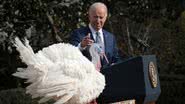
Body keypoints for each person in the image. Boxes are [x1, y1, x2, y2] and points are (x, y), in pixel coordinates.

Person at [70, 2, 120, 68]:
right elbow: (70, 54)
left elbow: (116, 58)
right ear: (89, 17)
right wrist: (81, 46)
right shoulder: (78, 34)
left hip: (108, 76)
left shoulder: (110, 37)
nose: (98, 20)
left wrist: (115, 65)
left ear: (105, 17)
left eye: (101, 17)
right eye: (95, 17)